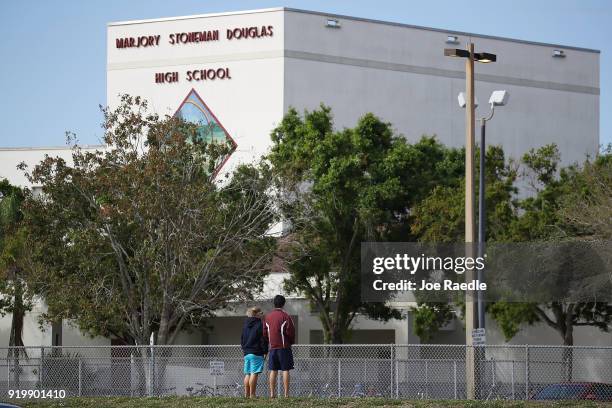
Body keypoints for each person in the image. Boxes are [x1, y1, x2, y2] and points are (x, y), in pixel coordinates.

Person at [263, 294, 295, 398]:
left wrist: (269, 341)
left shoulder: (267, 317)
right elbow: (291, 332)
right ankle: (286, 394)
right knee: (285, 370)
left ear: (274, 303)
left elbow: (264, 333)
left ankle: (272, 394)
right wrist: (290, 342)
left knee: (273, 370)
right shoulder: (286, 316)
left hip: (272, 348)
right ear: (283, 304)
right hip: (284, 347)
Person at [240, 306, 268, 398]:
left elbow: (242, 338)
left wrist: (244, 349)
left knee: (247, 373)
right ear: (257, 314)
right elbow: (263, 339)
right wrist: (265, 351)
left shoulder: (245, 325)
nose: (262, 315)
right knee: (254, 373)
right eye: (261, 313)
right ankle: (252, 394)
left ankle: (246, 394)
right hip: (256, 352)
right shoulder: (260, 324)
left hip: (246, 352)